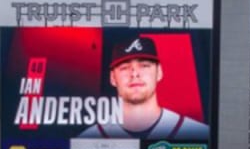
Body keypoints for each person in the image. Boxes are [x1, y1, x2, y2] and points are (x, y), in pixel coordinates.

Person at [79, 36, 209, 140]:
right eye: (124, 68)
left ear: (159, 72)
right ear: (113, 78)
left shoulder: (199, 134)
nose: (135, 74)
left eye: (144, 65)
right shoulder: (87, 139)